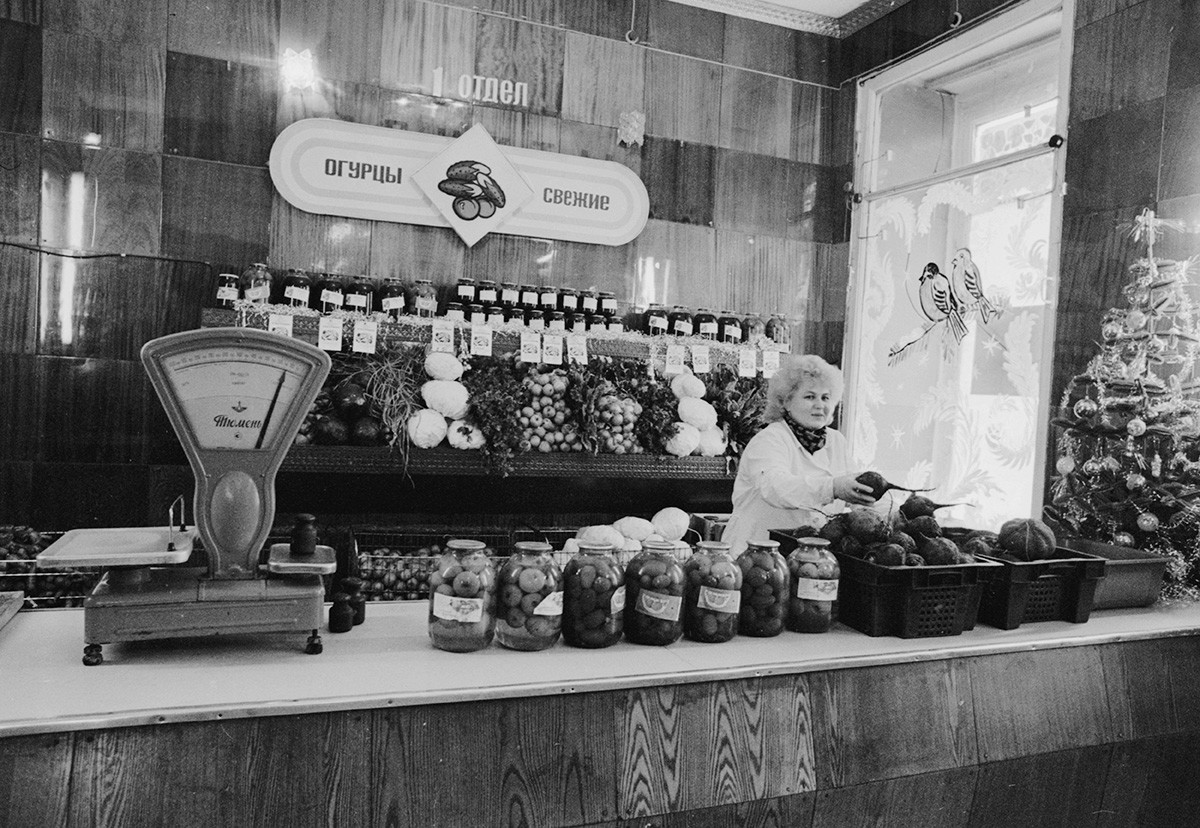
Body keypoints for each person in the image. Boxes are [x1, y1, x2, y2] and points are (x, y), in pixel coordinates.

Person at [722, 354, 876, 553]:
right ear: (786, 401)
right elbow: (776, 488)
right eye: (810, 396)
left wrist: (885, 510)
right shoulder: (769, 440)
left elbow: (857, 492)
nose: (820, 405)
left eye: (826, 397)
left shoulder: (837, 441)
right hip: (755, 556)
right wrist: (833, 488)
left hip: (809, 557)